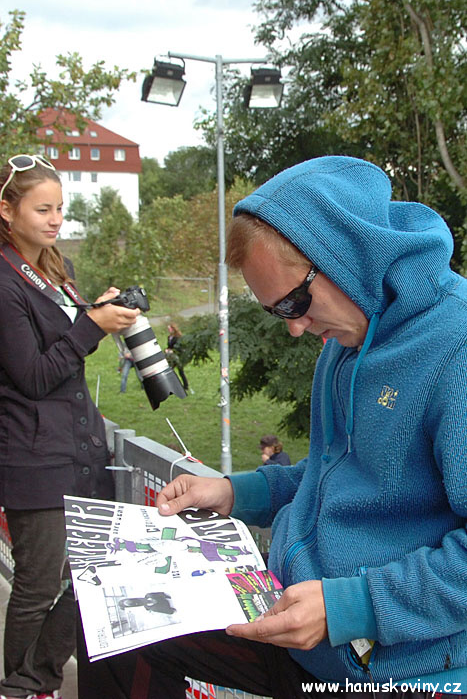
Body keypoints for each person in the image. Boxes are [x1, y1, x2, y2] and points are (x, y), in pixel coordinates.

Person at [76, 155, 467, 699]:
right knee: (107, 620)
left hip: (395, 668)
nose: (295, 329)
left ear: (351, 254)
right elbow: (336, 474)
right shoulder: (345, 336)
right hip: (295, 622)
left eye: (296, 302)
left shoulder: (455, 348)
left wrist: (353, 606)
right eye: (277, 311)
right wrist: (233, 492)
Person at [0, 153, 140, 699]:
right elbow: (34, 375)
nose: (56, 219)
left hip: (79, 449)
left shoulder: (57, 269)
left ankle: (32, 678)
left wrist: (94, 311)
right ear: (7, 211)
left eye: (60, 208)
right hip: (34, 457)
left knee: (95, 575)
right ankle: (25, 687)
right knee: (37, 587)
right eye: (43, 209)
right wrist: (92, 327)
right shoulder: (4, 281)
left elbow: (65, 345)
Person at [165, 322, 190, 392]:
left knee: (181, 372)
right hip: (171, 357)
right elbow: (169, 346)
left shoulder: (178, 337)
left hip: (178, 356)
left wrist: (173, 350)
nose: (169, 330)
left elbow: (180, 347)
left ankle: (186, 386)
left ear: (173, 329)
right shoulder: (169, 337)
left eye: (170, 329)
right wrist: (167, 349)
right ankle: (172, 386)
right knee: (170, 370)